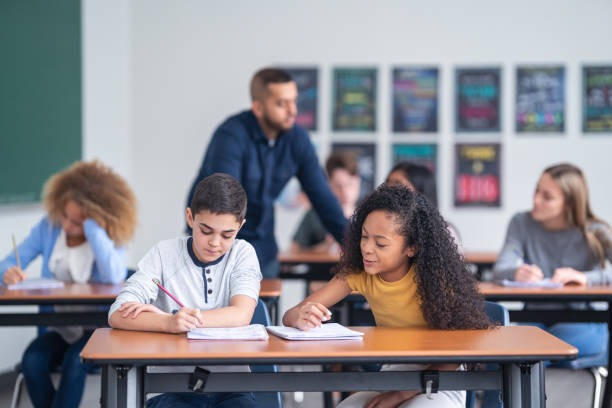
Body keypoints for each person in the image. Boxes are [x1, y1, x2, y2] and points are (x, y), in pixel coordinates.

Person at [283, 184, 491, 408]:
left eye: (380, 243)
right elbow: (289, 315)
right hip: (395, 373)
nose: (367, 249)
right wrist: (300, 317)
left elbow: (459, 353)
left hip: (440, 377)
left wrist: (400, 396)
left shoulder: (436, 280)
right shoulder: (359, 274)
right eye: (364, 237)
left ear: (411, 247)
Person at [109, 173, 261, 408]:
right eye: (206, 230)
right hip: (173, 388)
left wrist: (173, 318)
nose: (215, 242)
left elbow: (240, 315)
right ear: (190, 217)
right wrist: (168, 324)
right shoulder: (163, 254)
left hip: (232, 387)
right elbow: (117, 313)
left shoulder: (243, 254)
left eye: (227, 235)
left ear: (240, 226)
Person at [0, 160, 137, 408]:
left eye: (77, 222)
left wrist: (94, 229)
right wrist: (7, 273)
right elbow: (7, 263)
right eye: (65, 215)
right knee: (32, 360)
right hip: (59, 328)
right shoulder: (49, 228)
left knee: (77, 362)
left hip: (98, 330)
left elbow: (114, 275)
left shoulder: (105, 235)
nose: (66, 225)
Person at [186, 67, 347, 278]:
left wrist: (357, 249)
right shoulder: (231, 135)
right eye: (282, 103)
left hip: (263, 249)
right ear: (258, 108)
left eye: (294, 101)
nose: (293, 111)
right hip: (217, 245)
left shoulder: (297, 139)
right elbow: (223, 201)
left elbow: (324, 199)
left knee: (263, 308)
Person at [493, 163, 612, 359]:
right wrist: (515, 273)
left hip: (582, 322)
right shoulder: (521, 223)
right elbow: (501, 269)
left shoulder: (596, 231)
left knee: (538, 350)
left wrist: (585, 277)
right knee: (505, 350)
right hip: (534, 319)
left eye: (547, 197)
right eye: (536, 191)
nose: (535, 200)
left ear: (570, 204)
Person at [291, 150, 360, 253]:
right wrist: (322, 248)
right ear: (328, 185)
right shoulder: (314, 214)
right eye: (338, 186)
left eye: (349, 184)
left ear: (358, 181)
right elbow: (293, 251)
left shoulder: (369, 215)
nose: (345, 192)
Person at [386, 161, 461, 248]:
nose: (388, 188)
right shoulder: (382, 224)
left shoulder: (442, 232)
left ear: (420, 191)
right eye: (388, 182)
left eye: (398, 183)